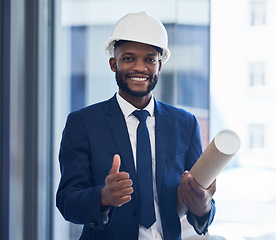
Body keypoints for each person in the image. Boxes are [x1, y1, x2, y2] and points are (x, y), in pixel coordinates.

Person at [56, 12, 216, 240]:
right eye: (129, 58)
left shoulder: (185, 123)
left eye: (149, 59)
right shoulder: (83, 123)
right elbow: (67, 201)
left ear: (159, 65)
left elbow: (199, 205)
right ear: (114, 63)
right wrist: (103, 196)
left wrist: (203, 207)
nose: (140, 67)